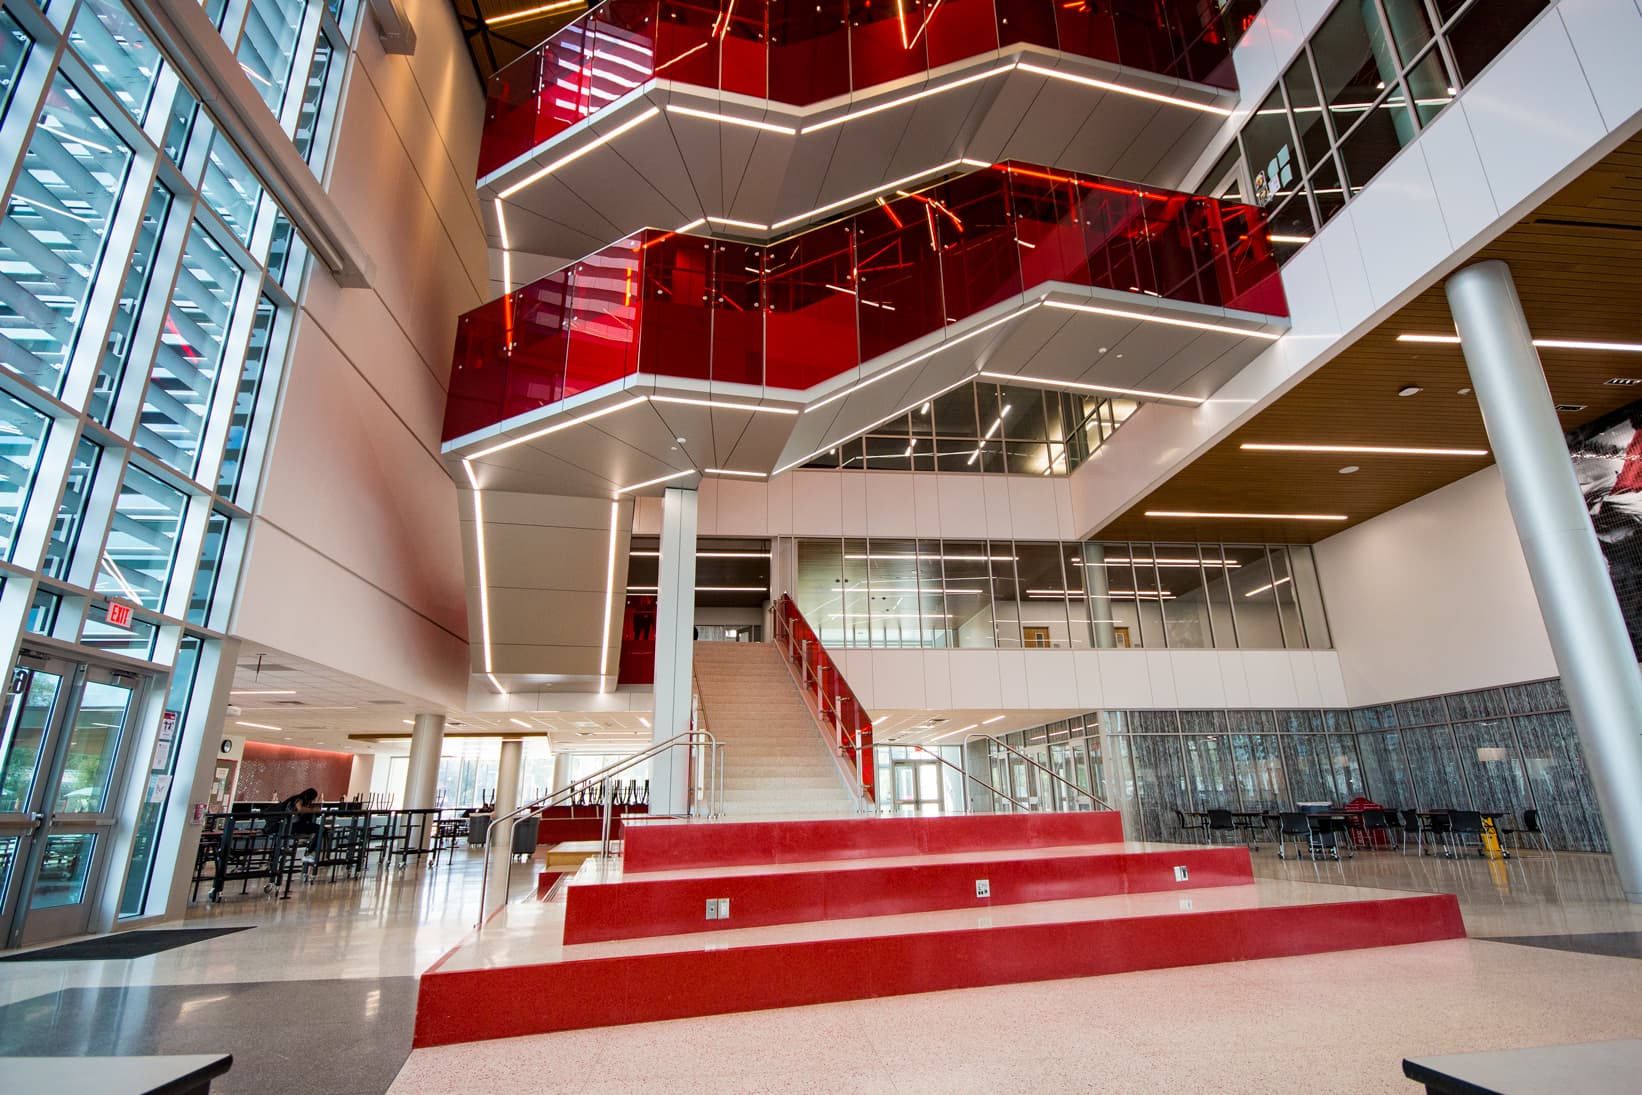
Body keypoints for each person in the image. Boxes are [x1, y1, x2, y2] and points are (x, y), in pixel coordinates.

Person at [279, 787, 323, 859]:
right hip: (292, 826)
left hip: (290, 826)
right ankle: (310, 851)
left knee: (319, 829)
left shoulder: (296, 799)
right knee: (320, 829)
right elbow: (300, 809)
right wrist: (312, 810)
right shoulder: (299, 800)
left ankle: (310, 849)